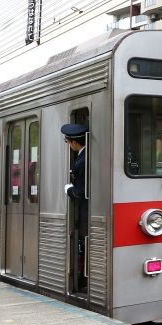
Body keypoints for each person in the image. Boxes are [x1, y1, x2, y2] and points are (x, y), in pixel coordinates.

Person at [61, 123, 88, 292]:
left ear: (74, 143)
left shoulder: (82, 160)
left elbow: (80, 192)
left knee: (84, 244)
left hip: (85, 211)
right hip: (85, 211)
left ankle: (83, 281)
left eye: (68, 142)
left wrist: (68, 189)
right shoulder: (85, 155)